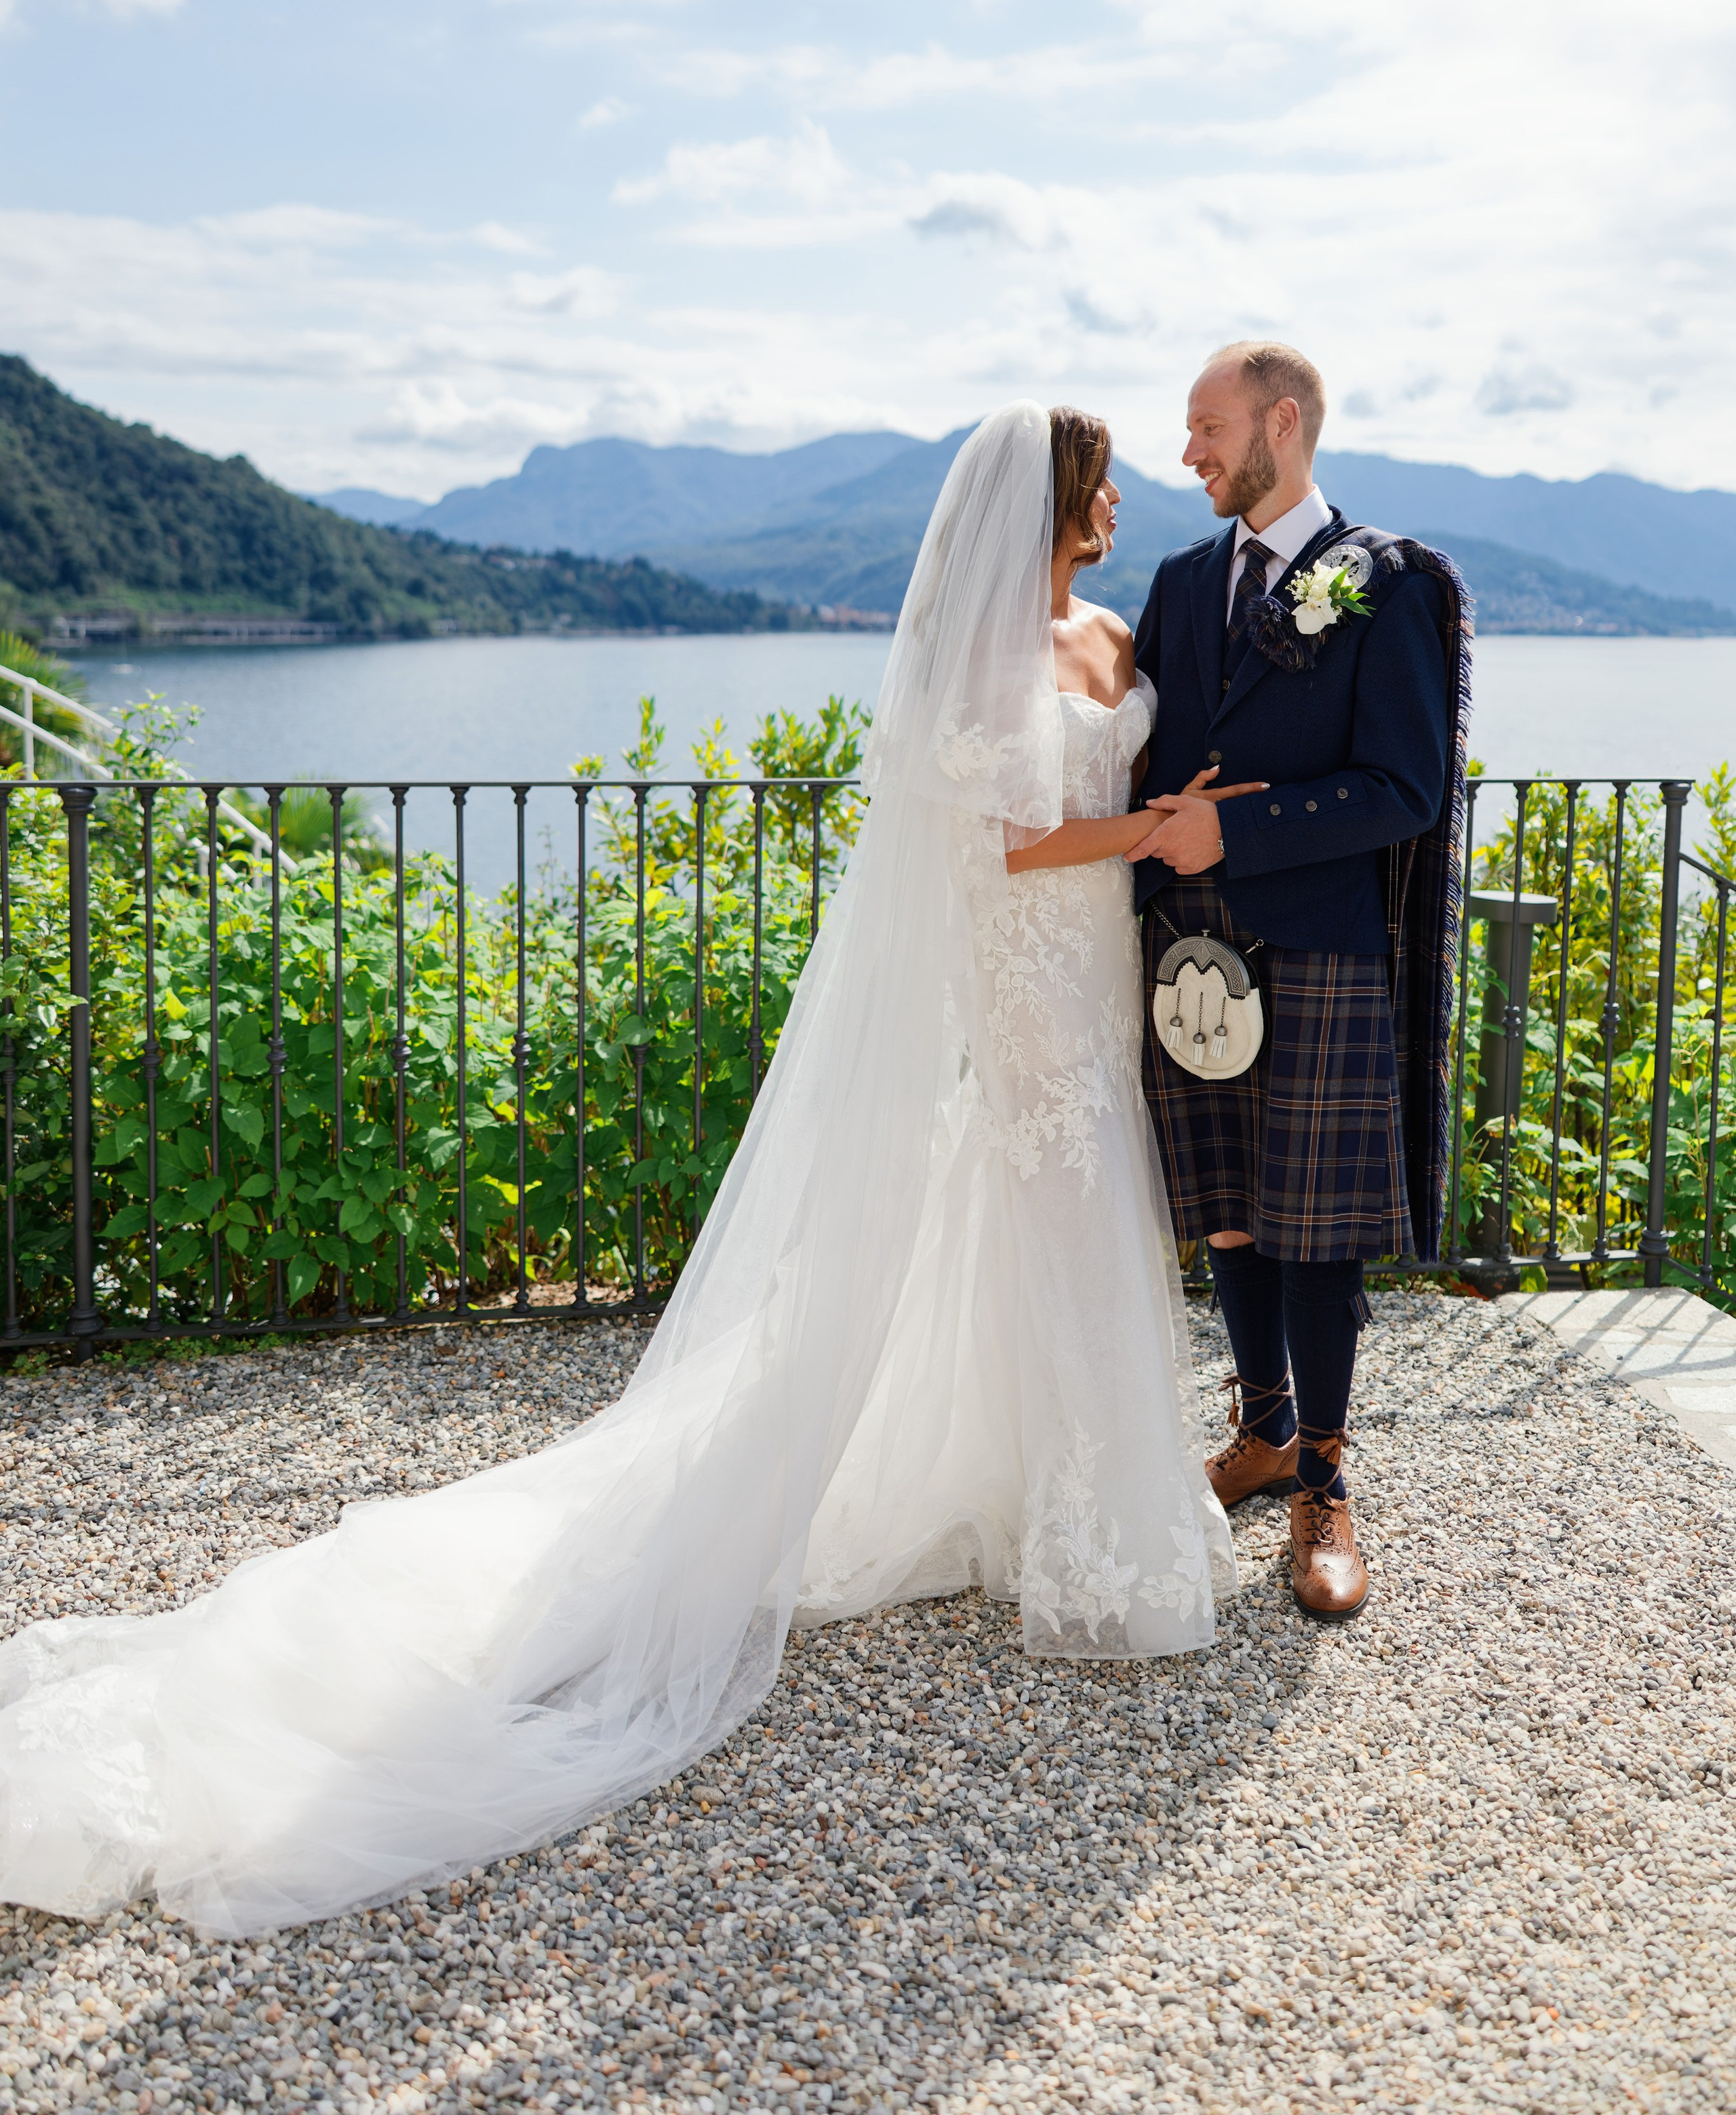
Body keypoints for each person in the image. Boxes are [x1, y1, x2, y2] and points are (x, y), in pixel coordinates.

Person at [0, 401, 1247, 1938]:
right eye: (1097, 480)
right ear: (1046, 502)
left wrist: (1166, 829)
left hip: (1102, 976)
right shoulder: (980, 658)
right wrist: (1149, 831)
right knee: (1048, 1204)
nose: (1116, 501)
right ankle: (1095, 1540)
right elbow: (990, 848)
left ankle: (1044, 1489)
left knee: (1055, 1220)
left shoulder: (1114, 630)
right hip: (1028, 981)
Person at [1130, 342, 1469, 1623]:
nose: (1190, 452)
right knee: (1226, 1207)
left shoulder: (1388, 583)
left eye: (1208, 426)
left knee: (1315, 1230)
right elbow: (1148, 762)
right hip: (1187, 953)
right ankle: (1262, 1427)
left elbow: (1406, 788)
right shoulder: (1174, 581)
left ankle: (1325, 1474)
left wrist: (1243, 833)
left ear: (1283, 422)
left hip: (1322, 951)